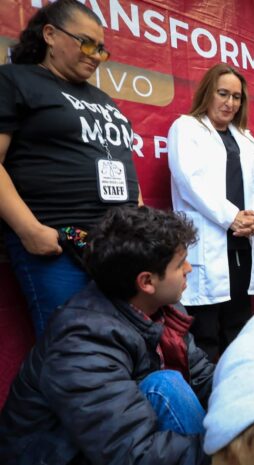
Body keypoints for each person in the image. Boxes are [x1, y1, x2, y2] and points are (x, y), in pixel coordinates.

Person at [0, 206, 215, 465]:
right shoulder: (82, 341)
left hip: (116, 447)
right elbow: (131, 453)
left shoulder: (163, 308)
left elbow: (202, 378)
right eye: (180, 264)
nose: (189, 269)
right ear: (146, 282)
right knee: (166, 385)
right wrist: (229, 451)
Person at [0, 0, 140, 337]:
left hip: (118, 247)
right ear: (50, 34)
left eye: (101, 49)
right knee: (73, 345)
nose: (96, 56)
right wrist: (30, 230)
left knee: (127, 342)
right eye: (87, 43)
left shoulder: (103, 99)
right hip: (58, 245)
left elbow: (124, 164)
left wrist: (140, 228)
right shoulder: (14, 80)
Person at [167, 64, 254, 360]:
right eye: (223, 93)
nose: (230, 103)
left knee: (238, 325)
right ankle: (206, 389)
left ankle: (237, 383)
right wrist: (232, 217)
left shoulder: (246, 138)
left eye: (237, 97)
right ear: (208, 93)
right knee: (205, 333)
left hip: (242, 243)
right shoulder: (186, 128)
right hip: (208, 243)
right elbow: (190, 180)